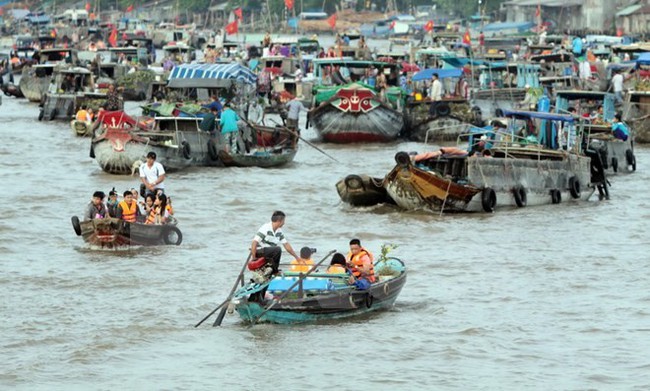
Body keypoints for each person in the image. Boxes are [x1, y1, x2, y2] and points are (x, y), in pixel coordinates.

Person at [250, 211, 299, 278]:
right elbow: (254, 242)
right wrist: (254, 257)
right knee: (277, 249)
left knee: (276, 250)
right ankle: (275, 272)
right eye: (284, 221)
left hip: (270, 251)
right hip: (260, 250)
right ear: (279, 221)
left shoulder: (279, 231)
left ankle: (269, 271)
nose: (284, 223)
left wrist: (296, 257)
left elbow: (286, 245)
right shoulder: (266, 228)